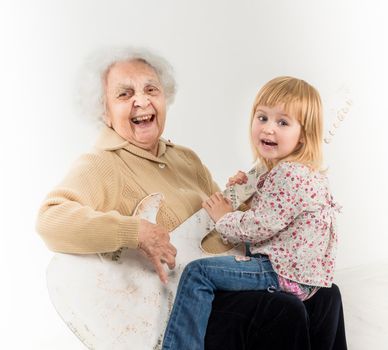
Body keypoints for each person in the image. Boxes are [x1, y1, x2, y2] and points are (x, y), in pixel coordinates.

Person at [36, 49, 347, 349]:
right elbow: (50, 219)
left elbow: (226, 224)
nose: (141, 101)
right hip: (187, 306)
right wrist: (136, 232)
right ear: (103, 110)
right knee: (280, 309)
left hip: (232, 276)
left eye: (150, 89)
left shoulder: (185, 158)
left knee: (326, 296)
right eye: (124, 94)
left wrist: (247, 200)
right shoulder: (101, 164)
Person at [162, 76, 344, 350]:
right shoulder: (308, 174)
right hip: (308, 280)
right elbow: (280, 218)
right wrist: (250, 194)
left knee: (197, 273)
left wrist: (223, 217)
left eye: (283, 122)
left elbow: (257, 227)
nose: (269, 129)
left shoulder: (287, 174)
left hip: (277, 271)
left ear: (304, 135)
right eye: (262, 118)